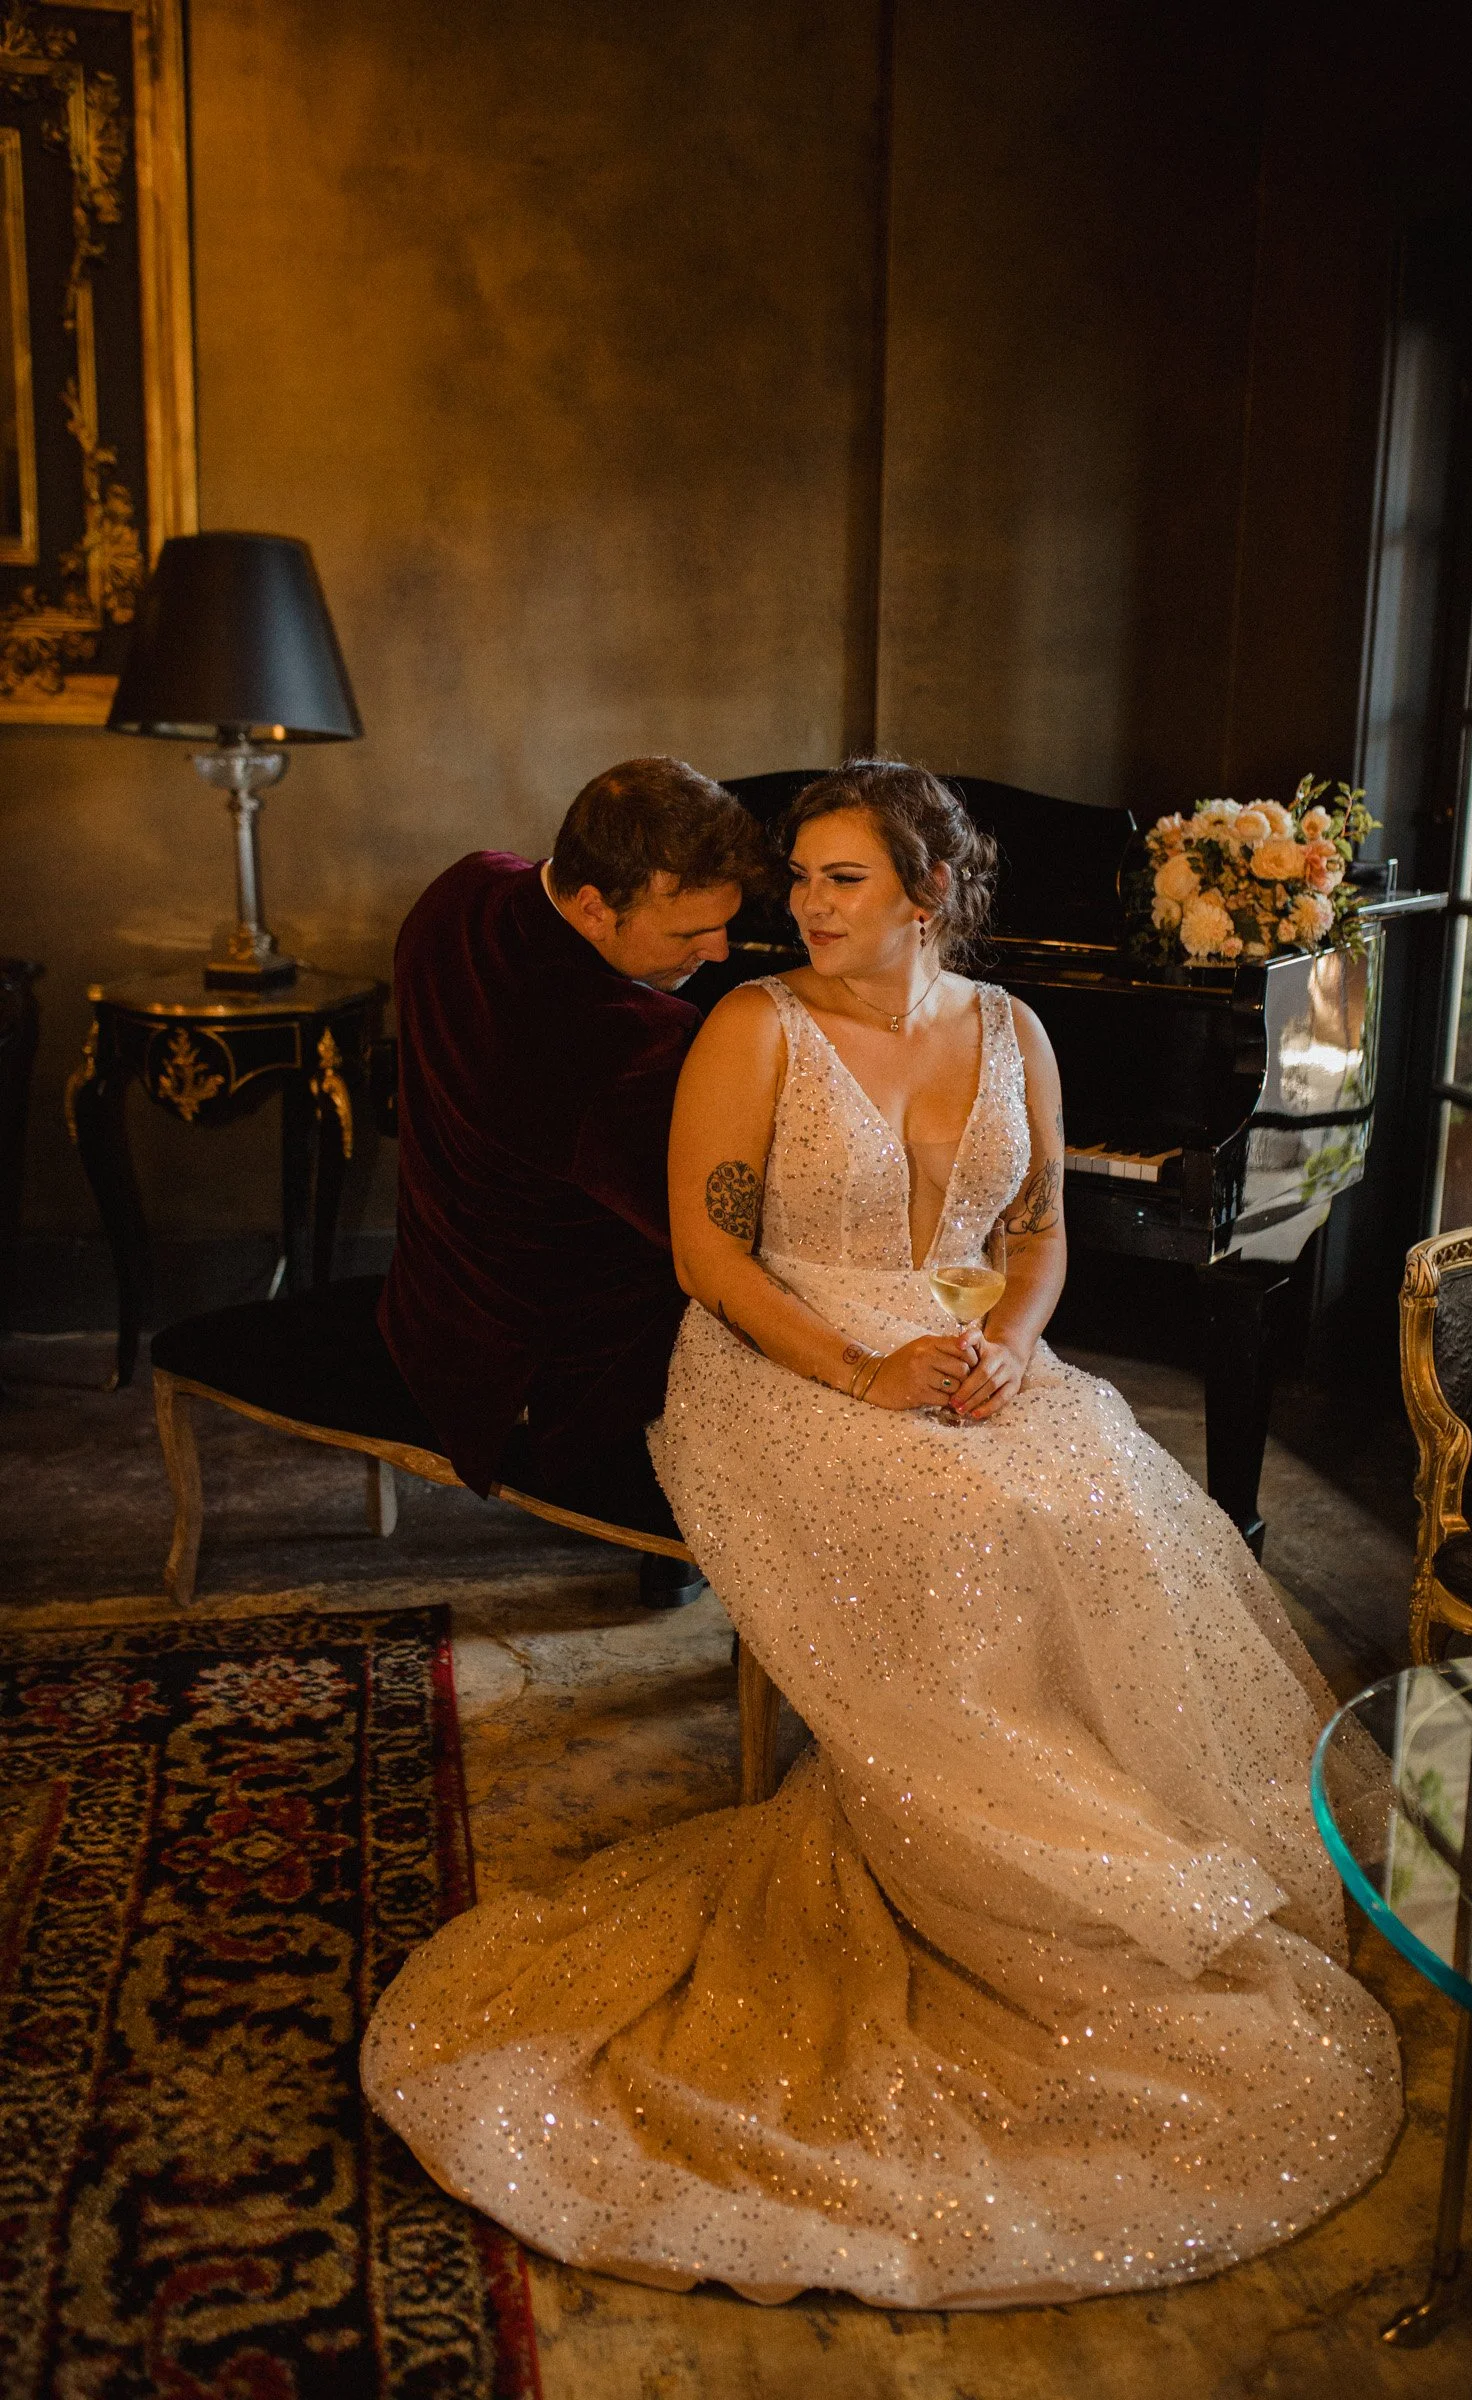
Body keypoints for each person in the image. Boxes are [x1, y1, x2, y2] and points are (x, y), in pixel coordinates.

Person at [363, 760, 1402, 2308]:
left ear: (926, 897)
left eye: (836, 881)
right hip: (780, 1362)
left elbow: (1038, 1228)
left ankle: (1135, 1832)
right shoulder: (750, 1025)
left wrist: (1019, 1347)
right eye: (797, 879)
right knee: (961, 1519)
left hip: (971, 1344)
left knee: (1102, 1499)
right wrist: (863, 1367)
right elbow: (712, 1250)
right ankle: (1014, 1864)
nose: (798, 907)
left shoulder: (1015, 1031)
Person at [378, 755, 767, 1606]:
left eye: (725, 924)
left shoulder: (463, 889)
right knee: (773, 1304)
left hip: (431, 1305)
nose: (721, 951)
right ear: (594, 905)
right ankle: (696, 1525)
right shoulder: (630, 1040)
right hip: (534, 1374)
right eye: (688, 934)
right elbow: (712, 1239)